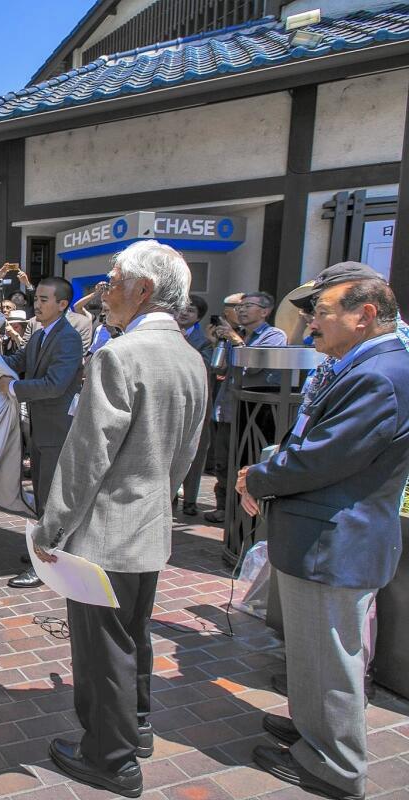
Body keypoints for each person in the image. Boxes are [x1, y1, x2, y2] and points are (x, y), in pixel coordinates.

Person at [32, 240, 206, 798]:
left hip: (105, 531)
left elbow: (85, 460)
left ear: (144, 290)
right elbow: (186, 455)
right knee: (133, 635)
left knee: (102, 646)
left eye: (113, 280)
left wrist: (50, 527)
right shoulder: (191, 357)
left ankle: (111, 758)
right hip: (149, 523)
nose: (104, 292)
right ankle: (138, 728)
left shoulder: (119, 354)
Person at [239, 271, 409, 800]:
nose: (313, 320)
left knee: (331, 656)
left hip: (336, 541)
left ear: (364, 316)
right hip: (326, 536)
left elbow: (325, 456)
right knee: (315, 654)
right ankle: (314, 726)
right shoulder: (368, 363)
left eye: (325, 311)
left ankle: (333, 763)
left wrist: (258, 477)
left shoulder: (381, 374)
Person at [3, 277, 84, 589]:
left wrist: (12, 387)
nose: (36, 304)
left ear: (62, 305)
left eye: (44, 299)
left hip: (56, 430)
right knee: (40, 492)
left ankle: (46, 562)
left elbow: (54, 384)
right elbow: (17, 361)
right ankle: (44, 547)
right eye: (36, 298)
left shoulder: (68, 339)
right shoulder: (38, 335)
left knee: (52, 496)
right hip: (39, 429)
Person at [204, 290, 287, 523]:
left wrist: (235, 340)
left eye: (247, 306)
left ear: (265, 311)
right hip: (226, 408)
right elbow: (220, 370)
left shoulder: (274, 336)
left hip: (253, 414)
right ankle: (224, 507)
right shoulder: (236, 335)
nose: (241, 310)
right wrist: (217, 344)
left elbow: (255, 367)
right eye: (239, 307)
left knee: (245, 462)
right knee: (223, 463)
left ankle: (243, 513)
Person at [177, 296, 214, 516]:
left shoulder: (204, 341)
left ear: (198, 317)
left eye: (190, 310)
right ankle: (170, 495)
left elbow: (208, 368)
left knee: (196, 452)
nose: (184, 313)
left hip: (196, 404)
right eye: (181, 309)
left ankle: (190, 499)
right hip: (171, 403)